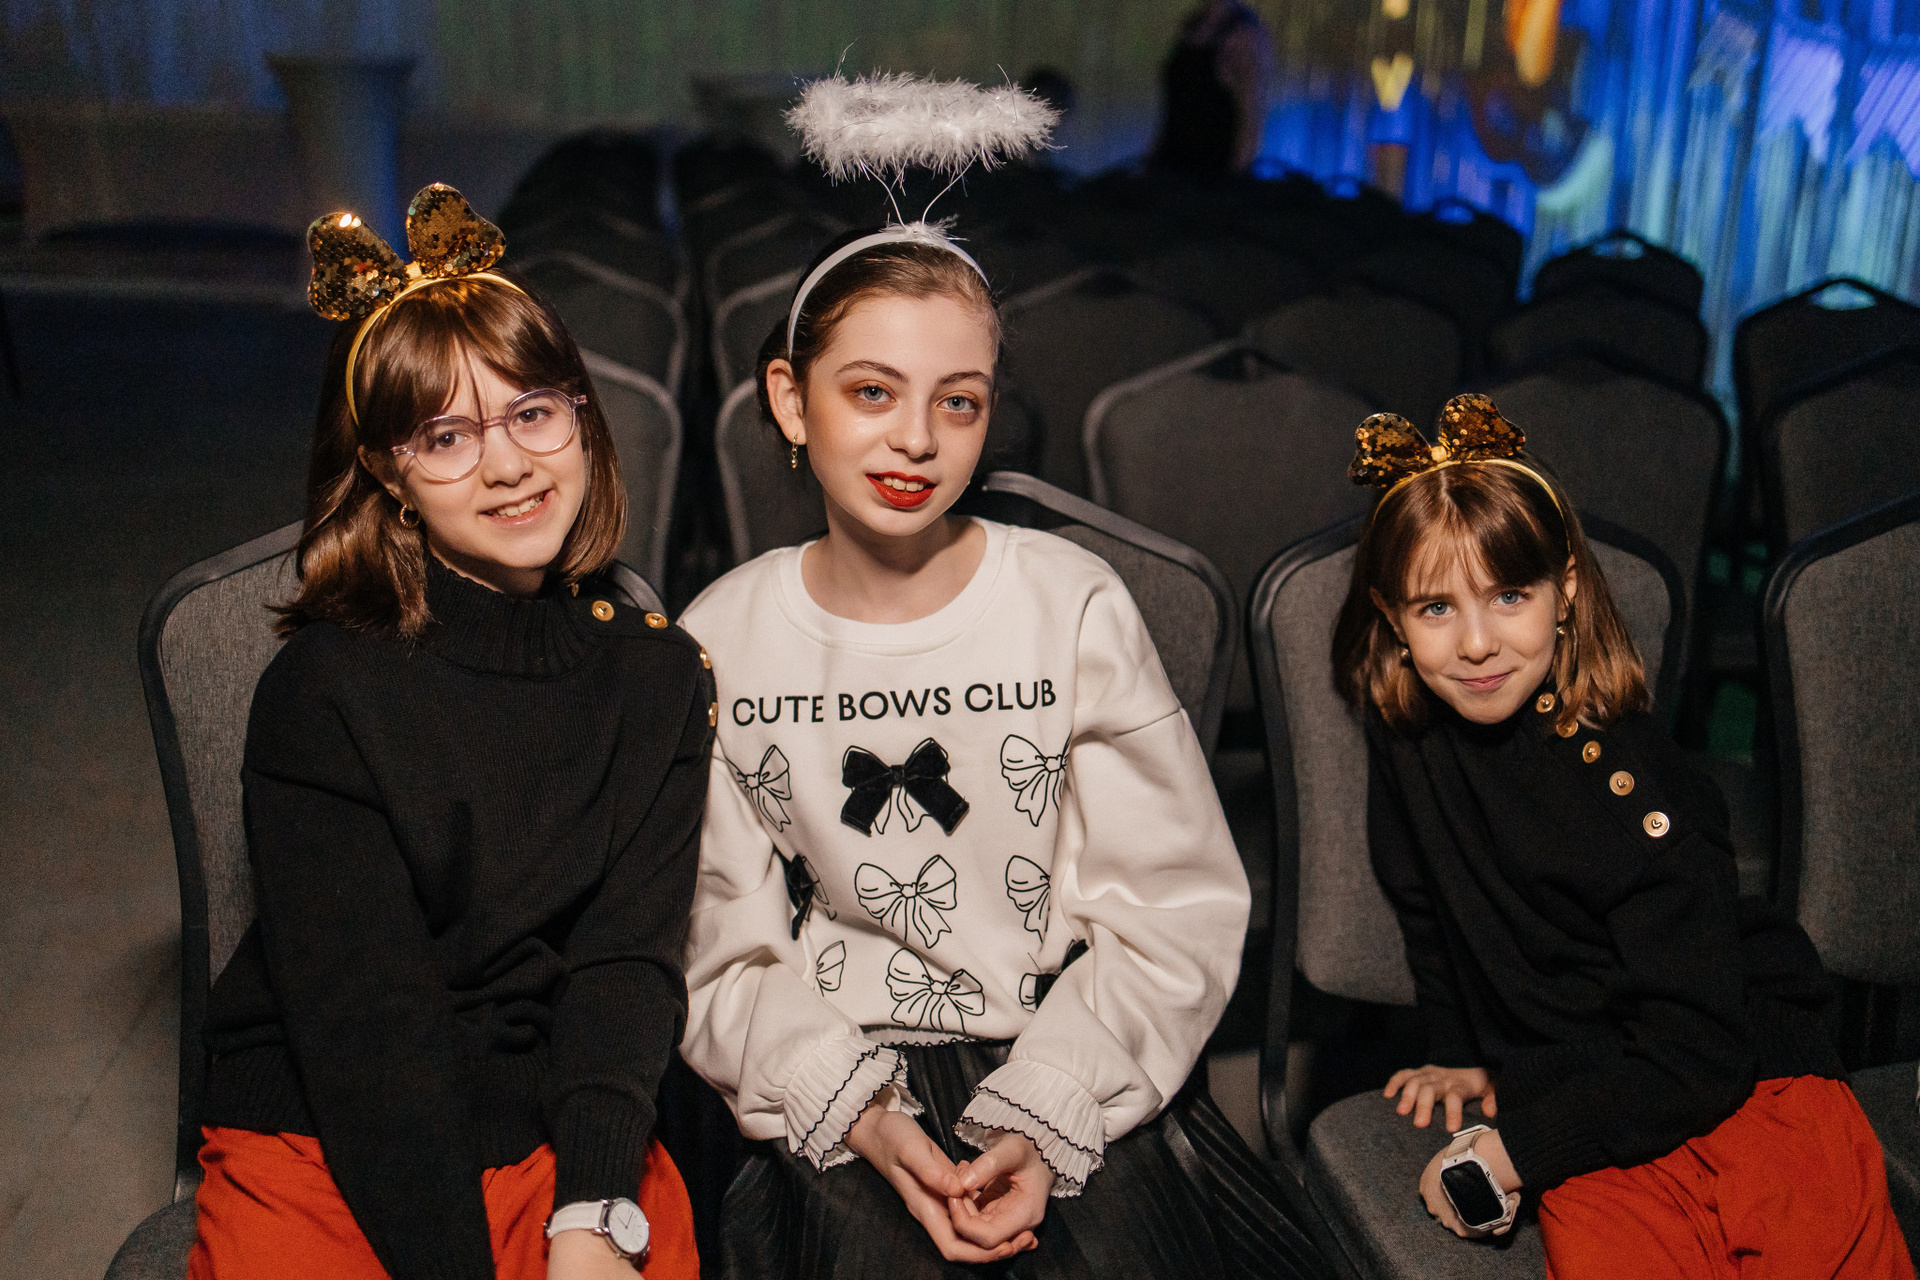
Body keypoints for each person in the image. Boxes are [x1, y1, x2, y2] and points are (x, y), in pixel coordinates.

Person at [675, 217, 1337, 1279]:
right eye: (872, 391)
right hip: (841, 1073)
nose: (917, 440)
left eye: (959, 401)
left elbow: (1171, 907)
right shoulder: (722, 636)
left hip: (1068, 1047)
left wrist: (1047, 1108)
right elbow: (718, 944)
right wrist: (865, 1115)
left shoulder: (1069, 605)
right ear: (791, 401)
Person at [188, 185, 710, 1280]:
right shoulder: (324, 690)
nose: (509, 465)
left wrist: (594, 1207)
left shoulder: (659, 675)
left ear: (580, 417)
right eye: (447, 436)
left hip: (559, 1117)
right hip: (329, 1132)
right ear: (389, 471)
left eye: (533, 413)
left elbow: (625, 966)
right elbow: (368, 1029)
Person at [1334, 394, 1914, 1279]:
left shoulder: (1635, 793)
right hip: (1581, 1089)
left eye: (1510, 595)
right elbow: (1426, 896)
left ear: (1565, 591)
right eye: (1436, 607)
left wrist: (1517, 1150)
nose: (1477, 643)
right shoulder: (1406, 726)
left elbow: (1702, 1049)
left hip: (1744, 1069)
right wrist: (1455, 1050)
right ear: (1391, 617)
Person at [1150, 0, 1277, 175]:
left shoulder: (1245, 36)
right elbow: (1174, 112)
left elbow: (1250, 123)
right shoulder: (1192, 26)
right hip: (1169, 168)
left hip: (1211, 176)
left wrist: (1234, 180)